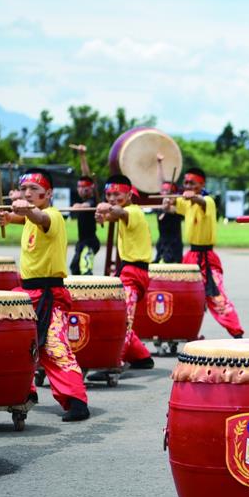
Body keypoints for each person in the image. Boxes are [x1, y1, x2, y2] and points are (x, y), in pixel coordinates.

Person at [0, 168, 91, 421]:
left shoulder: (52, 216)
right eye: (24, 189)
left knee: (55, 346)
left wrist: (24, 209)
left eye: (34, 191)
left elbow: (39, 217)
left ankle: (77, 401)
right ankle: (22, 393)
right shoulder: (30, 214)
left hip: (49, 293)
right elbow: (26, 218)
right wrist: (8, 218)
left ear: (48, 193)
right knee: (20, 346)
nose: (28, 194)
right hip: (27, 293)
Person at [162, 167, 244, 338]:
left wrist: (194, 197)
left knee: (217, 297)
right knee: (186, 297)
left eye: (192, 183)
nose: (187, 185)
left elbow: (202, 202)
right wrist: (167, 202)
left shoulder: (208, 200)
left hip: (206, 257)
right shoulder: (186, 203)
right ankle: (187, 332)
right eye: (185, 182)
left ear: (202, 184)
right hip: (190, 257)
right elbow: (170, 207)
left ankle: (236, 332)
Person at [93, 174, 155, 371]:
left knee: (124, 321)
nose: (112, 198)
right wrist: (102, 216)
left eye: (116, 194)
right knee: (120, 316)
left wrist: (108, 209)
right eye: (109, 194)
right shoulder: (124, 211)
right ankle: (142, 356)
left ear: (129, 194)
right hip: (128, 271)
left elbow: (119, 212)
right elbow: (114, 214)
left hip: (134, 273)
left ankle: (114, 363)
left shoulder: (134, 211)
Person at [154, 154, 183, 263]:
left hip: (174, 245)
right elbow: (160, 182)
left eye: (168, 191)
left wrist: (168, 209)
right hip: (161, 243)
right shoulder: (160, 205)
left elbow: (173, 210)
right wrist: (159, 163)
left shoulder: (177, 207)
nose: (164, 193)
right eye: (163, 191)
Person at [69, 176, 100, 276]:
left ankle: (89, 290)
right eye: (79, 187)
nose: (81, 189)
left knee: (85, 267)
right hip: (81, 242)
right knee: (74, 267)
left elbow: (88, 205)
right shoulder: (82, 200)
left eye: (84, 187)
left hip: (90, 242)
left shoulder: (93, 201)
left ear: (91, 188)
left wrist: (79, 206)